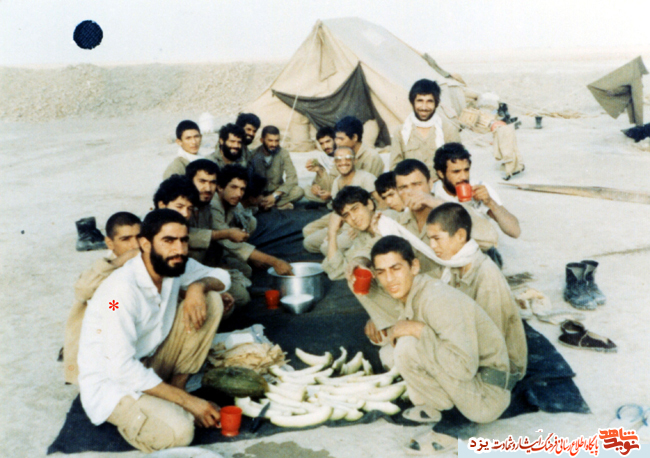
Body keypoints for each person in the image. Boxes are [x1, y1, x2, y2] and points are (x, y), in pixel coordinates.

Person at [78, 209, 233, 453]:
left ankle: (175, 391)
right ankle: (156, 411)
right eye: (168, 240)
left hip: (149, 362)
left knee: (210, 299)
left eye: (183, 240)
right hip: (113, 383)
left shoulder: (171, 264)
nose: (179, 249)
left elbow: (222, 276)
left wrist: (198, 287)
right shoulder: (117, 296)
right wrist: (189, 403)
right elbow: (120, 368)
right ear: (145, 244)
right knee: (180, 432)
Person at [369, 235, 511, 435]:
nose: (389, 279)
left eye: (396, 268)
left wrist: (418, 330)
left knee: (406, 347)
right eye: (381, 272)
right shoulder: (415, 291)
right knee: (389, 353)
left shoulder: (437, 299)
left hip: (487, 395)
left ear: (414, 267)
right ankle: (439, 405)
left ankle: (455, 417)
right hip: (473, 380)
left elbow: (464, 368)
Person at [426, 203, 527, 377]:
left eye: (437, 239)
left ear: (460, 235)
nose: (432, 245)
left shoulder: (486, 275)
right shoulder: (453, 265)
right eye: (430, 239)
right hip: (469, 346)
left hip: (496, 367)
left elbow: (492, 339)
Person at [63, 212, 142, 385]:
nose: (135, 245)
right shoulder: (106, 266)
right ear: (110, 243)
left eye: (139, 237)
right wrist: (120, 261)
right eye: (126, 239)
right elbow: (82, 290)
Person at [433, 142, 520, 265]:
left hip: (479, 253)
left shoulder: (479, 187)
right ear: (441, 174)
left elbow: (515, 231)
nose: (463, 177)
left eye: (466, 170)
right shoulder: (433, 192)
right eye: (456, 172)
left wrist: (490, 202)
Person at [213, 164, 294, 277]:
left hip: (224, 251)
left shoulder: (233, 203)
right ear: (220, 187)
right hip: (208, 256)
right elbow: (228, 241)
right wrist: (275, 262)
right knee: (239, 284)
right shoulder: (214, 205)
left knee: (245, 270)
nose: (239, 194)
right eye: (233, 187)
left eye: (242, 189)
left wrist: (252, 256)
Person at [303, 145, 381, 253]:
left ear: (354, 160)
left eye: (347, 158)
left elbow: (382, 203)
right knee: (308, 239)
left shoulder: (366, 178)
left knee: (325, 248)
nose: (343, 162)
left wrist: (363, 225)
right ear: (335, 162)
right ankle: (340, 247)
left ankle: (347, 251)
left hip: (359, 223)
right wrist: (332, 231)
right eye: (339, 160)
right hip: (343, 220)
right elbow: (337, 210)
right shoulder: (337, 181)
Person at [389, 79, 461, 177]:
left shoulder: (448, 130)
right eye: (420, 101)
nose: (424, 107)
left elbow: (458, 167)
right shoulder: (400, 132)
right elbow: (395, 169)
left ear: (436, 103)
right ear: (412, 102)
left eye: (429, 101)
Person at [322, 186, 398, 280]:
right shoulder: (362, 235)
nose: (353, 218)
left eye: (355, 209)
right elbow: (336, 270)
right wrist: (332, 232)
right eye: (346, 215)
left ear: (369, 204)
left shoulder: (389, 218)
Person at [250, 126, 304, 210]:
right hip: (259, 194)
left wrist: (275, 195)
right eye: (270, 140)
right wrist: (258, 195)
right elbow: (249, 178)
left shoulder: (283, 153)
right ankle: (275, 205)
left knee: (298, 191)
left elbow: (292, 178)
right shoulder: (253, 154)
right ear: (262, 140)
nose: (274, 144)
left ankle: (267, 205)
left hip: (277, 193)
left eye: (277, 141)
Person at [304, 126, 338, 204]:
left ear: (335, 140)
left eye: (328, 141)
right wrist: (315, 187)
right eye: (322, 143)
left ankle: (332, 201)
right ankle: (329, 201)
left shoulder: (343, 155)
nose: (325, 146)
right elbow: (318, 181)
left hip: (340, 192)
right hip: (327, 190)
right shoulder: (323, 158)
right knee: (307, 190)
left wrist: (331, 194)